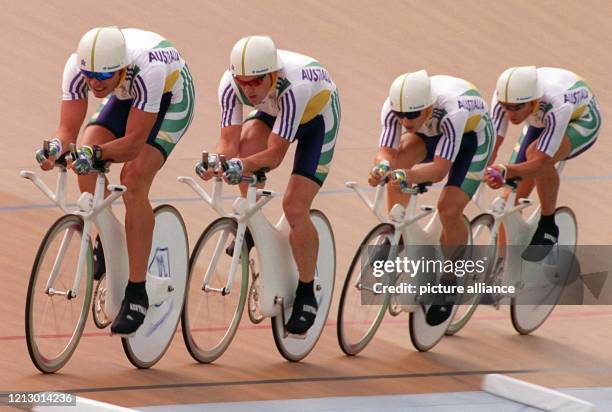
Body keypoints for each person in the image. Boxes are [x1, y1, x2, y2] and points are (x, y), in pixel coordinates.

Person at [35, 26, 196, 336]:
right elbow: (67, 133)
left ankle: (137, 291)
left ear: (121, 67)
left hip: (171, 97)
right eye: (89, 76)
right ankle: (106, 235)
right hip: (126, 93)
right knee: (86, 152)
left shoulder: (147, 69)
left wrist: (92, 153)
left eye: (102, 78)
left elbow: (134, 144)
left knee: (133, 178)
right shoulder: (80, 69)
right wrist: (56, 149)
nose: (94, 83)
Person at [195, 35, 341, 335]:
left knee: (294, 206)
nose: (249, 89)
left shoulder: (294, 85)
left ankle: (306, 290)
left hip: (318, 122)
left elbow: (275, 155)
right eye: (243, 82)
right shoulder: (230, 84)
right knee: (246, 145)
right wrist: (217, 163)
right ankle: (253, 223)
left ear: (273, 74)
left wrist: (240, 165)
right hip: (275, 110)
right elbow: (228, 143)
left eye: (257, 82)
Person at [368, 70, 495, 325]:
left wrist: (409, 175)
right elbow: (385, 152)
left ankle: (450, 281)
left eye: (412, 115)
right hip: (434, 133)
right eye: (401, 115)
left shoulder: (452, 111)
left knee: (448, 209)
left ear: (427, 107)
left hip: (473, 140)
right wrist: (381, 168)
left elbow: (438, 171)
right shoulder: (395, 108)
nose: (405, 121)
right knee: (399, 159)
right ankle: (398, 230)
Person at [485, 66, 601, 261]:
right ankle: (499, 267)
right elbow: (491, 147)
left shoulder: (557, 104)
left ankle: (548, 224)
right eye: (506, 107)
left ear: (534, 100)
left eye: (516, 108)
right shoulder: (502, 99)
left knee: (536, 157)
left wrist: (505, 170)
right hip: (539, 118)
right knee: (507, 201)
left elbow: (539, 164)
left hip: (581, 119)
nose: (510, 113)